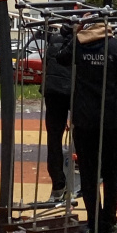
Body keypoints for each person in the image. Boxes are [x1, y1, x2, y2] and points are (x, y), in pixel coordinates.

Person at [58, 17, 117, 233]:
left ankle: (93, 224)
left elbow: (61, 58)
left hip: (85, 118)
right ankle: (110, 222)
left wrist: (75, 34)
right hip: (111, 118)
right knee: (111, 170)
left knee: (89, 172)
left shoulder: (79, 45)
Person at [42, 26, 72, 202]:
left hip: (53, 90)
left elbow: (47, 63)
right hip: (73, 90)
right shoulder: (83, 40)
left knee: (54, 137)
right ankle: (82, 179)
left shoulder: (54, 39)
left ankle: (58, 183)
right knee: (83, 135)